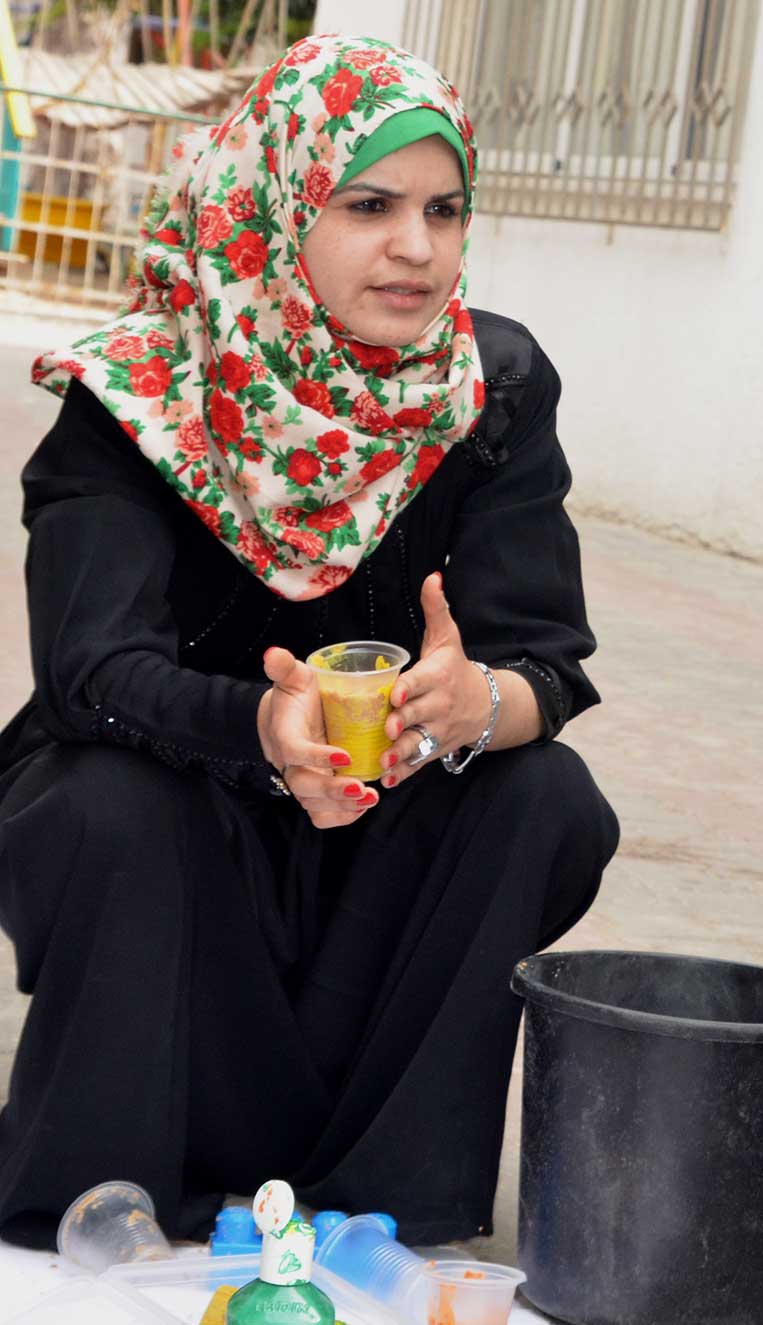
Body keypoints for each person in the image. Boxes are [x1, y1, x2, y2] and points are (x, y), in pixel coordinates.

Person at [0, 36, 618, 1247]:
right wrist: (259, 727)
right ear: (275, 205)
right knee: (101, 798)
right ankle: (106, 1179)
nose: (418, 247)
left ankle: (383, 1200)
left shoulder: (486, 388)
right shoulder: (140, 393)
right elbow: (88, 669)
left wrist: (471, 702)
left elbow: (548, 661)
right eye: (370, 205)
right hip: (181, 837)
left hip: (379, 847)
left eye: (444, 210)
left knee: (541, 794)